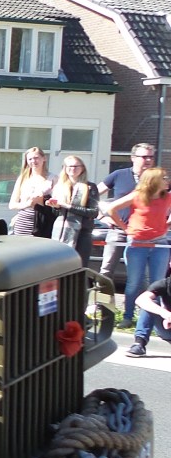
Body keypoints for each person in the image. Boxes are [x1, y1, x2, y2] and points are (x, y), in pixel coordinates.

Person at [106, 167, 171, 338]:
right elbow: (111, 208)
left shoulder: (167, 197)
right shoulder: (137, 195)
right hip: (137, 243)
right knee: (134, 283)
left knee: (157, 284)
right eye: (164, 178)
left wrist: (167, 224)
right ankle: (128, 317)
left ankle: (157, 322)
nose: (167, 180)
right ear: (154, 181)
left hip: (160, 244)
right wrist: (124, 228)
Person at [99, 143, 156, 300]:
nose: (148, 160)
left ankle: (141, 308)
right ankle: (102, 306)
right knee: (106, 269)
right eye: (144, 157)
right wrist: (102, 215)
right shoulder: (119, 175)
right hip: (118, 230)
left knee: (141, 274)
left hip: (142, 234)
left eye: (151, 157)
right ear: (133, 158)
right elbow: (93, 193)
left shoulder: (156, 178)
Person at [46, 155, 97, 266]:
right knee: (59, 266)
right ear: (64, 168)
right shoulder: (60, 187)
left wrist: (68, 206)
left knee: (79, 267)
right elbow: (57, 214)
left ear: (82, 168)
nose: (72, 169)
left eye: (76, 166)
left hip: (82, 234)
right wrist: (56, 207)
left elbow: (93, 212)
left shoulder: (90, 187)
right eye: (69, 166)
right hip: (61, 233)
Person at [7, 147, 53, 236]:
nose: (33, 161)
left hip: (43, 222)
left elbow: (58, 205)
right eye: (30, 159)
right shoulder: (22, 178)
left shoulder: (53, 178)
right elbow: (12, 205)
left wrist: (43, 200)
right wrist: (28, 203)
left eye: (36, 158)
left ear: (44, 158)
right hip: (23, 222)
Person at [128, 276, 171, 356]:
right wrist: (165, 313)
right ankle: (139, 344)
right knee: (150, 304)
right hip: (167, 328)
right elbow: (141, 300)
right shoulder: (164, 284)